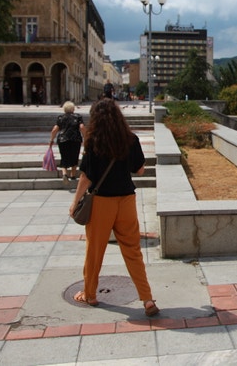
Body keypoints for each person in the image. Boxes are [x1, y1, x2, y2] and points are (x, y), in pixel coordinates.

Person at [69, 98, 159, 316]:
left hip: (102, 203)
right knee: (133, 251)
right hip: (126, 200)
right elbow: (139, 170)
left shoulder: (93, 141)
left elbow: (86, 177)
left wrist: (74, 203)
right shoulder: (130, 139)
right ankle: (147, 299)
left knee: (95, 250)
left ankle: (90, 294)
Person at [50, 102, 85, 183]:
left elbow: (54, 129)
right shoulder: (78, 116)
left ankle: (64, 174)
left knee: (64, 156)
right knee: (74, 156)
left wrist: (51, 140)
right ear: (73, 109)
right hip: (75, 139)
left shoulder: (60, 117)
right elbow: (82, 127)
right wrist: (85, 137)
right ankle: (73, 175)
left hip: (62, 139)